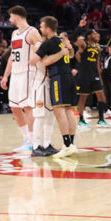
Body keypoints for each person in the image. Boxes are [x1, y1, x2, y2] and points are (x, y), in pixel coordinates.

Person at [30, 16, 78, 158]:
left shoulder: (47, 44)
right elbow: (71, 55)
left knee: (59, 111)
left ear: (48, 29)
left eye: (42, 26)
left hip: (59, 78)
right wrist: (67, 50)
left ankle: (67, 145)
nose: (40, 28)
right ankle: (71, 144)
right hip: (69, 77)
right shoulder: (63, 41)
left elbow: (35, 61)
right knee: (69, 111)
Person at [1, 6, 39, 152]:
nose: (9, 20)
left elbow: (42, 50)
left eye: (10, 17)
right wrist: (5, 75)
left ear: (16, 16)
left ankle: (33, 139)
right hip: (16, 74)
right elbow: (12, 56)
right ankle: (25, 138)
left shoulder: (32, 32)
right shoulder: (14, 33)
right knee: (14, 106)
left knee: (28, 107)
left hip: (28, 73)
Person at [75, 30, 110, 128]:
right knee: (83, 97)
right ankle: (81, 119)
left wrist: (100, 76)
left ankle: (101, 119)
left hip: (94, 74)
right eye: (94, 34)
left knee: (101, 96)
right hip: (84, 74)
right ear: (89, 36)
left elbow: (98, 62)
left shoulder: (98, 46)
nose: (97, 35)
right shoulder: (84, 43)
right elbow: (75, 42)